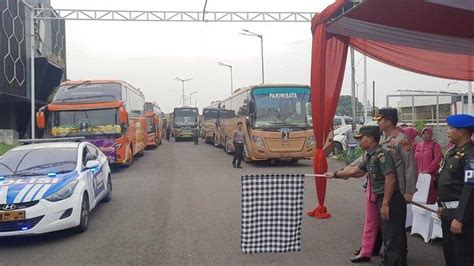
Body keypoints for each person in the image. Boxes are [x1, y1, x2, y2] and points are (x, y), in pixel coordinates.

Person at [325, 126, 407, 265]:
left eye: (360, 138)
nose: (358, 141)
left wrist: (386, 203)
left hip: (391, 199)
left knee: (393, 237)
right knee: (387, 234)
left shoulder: (381, 154)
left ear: (370, 139)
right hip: (382, 198)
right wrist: (334, 174)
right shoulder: (370, 155)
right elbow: (354, 170)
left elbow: (390, 178)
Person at [436, 114, 474, 266]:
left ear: (462, 132)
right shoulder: (452, 152)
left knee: (461, 256)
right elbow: (445, 182)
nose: (448, 131)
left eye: (451, 128)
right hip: (447, 212)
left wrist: (460, 218)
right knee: (449, 254)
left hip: (460, 213)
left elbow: (470, 188)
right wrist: (440, 205)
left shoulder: (471, 155)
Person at [374, 108, 417, 203]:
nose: (377, 123)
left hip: (397, 189)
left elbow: (410, 167)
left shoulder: (402, 140)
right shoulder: (382, 138)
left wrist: (409, 192)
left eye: (379, 120)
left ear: (388, 122)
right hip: (382, 187)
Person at [414, 126, 442, 203]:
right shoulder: (418, 145)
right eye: (424, 133)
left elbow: (437, 159)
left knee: (431, 197)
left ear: (431, 135)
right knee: (419, 197)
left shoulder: (435, 145)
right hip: (419, 176)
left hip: (431, 176)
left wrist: (428, 170)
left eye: (428, 133)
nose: (425, 135)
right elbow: (414, 159)